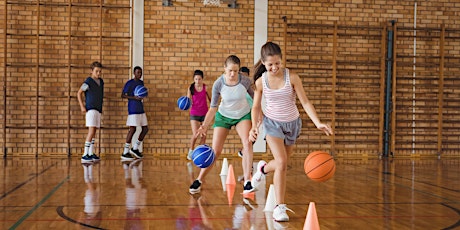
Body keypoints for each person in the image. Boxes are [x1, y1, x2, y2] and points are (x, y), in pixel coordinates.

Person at [249, 42, 333, 222]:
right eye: (270, 64)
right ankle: (280, 207)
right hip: (272, 124)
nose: (274, 67)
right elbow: (256, 107)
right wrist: (254, 127)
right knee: (281, 162)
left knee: (282, 164)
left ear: (281, 60)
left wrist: (317, 122)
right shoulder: (260, 81)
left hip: (293, 124)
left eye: (277, 63)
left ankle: (262, 169)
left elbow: (305, 102)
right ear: (263, 63)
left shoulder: (292, 77)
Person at [190, 55, 255, 195]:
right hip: (223, 116)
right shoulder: (218, 84)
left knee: (247, 144)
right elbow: (213, 107)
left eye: (236, 71)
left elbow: (256, 99)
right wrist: (204, 126)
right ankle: (199, 180)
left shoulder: (245, 81)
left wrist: (260, 116)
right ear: (224, 68)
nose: (233, 74)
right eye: (230, 70)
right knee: (216, 151)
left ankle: (248, 182)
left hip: (242, 115)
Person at [77, 61, 104, 163]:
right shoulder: (88, 81)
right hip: (91, 109)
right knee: (91, 131)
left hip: (98, 109)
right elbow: (79, 93)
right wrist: (82, 106)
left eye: (100, 71)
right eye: (96, 71)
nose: (98, 73)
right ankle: (85, 154)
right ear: (91, 71)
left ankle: (91, 153)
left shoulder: (101, 82)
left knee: (95, 131)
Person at [120, 66, 149, 161]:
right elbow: (123, 95)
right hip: (133, 108)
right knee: (132, 129)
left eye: (141, 73)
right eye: (138, 73)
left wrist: (144, 94)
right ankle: (125, 152)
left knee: (145, 129)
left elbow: (142, 93)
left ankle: (135, 148)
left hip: (140, 108)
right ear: (134, 73)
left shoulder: (141, 83)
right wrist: (134, 97)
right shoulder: (130, 83)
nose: (139, 74)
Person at [186, 70, 211, 160]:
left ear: (202, 79)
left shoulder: (206, 88)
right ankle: (191, 151)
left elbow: (211, 100)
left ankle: (199, 153)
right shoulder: (191, 88)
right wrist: (186, 105)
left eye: (199, 79)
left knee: (204, 135)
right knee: (196, 134)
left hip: (205, 114)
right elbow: (187, 100)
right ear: (194, 79)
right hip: (194, 113)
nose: (197, 81)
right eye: (196, 79)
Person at [237, 67, 252, 158]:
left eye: (245, 76)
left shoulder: (250, 87)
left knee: (252, 137)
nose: (243, 78)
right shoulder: (237, 88)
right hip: (243, 115)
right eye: (241, 76)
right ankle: (245, 155)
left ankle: (243, 151)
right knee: (247, 139)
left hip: (252, 112)